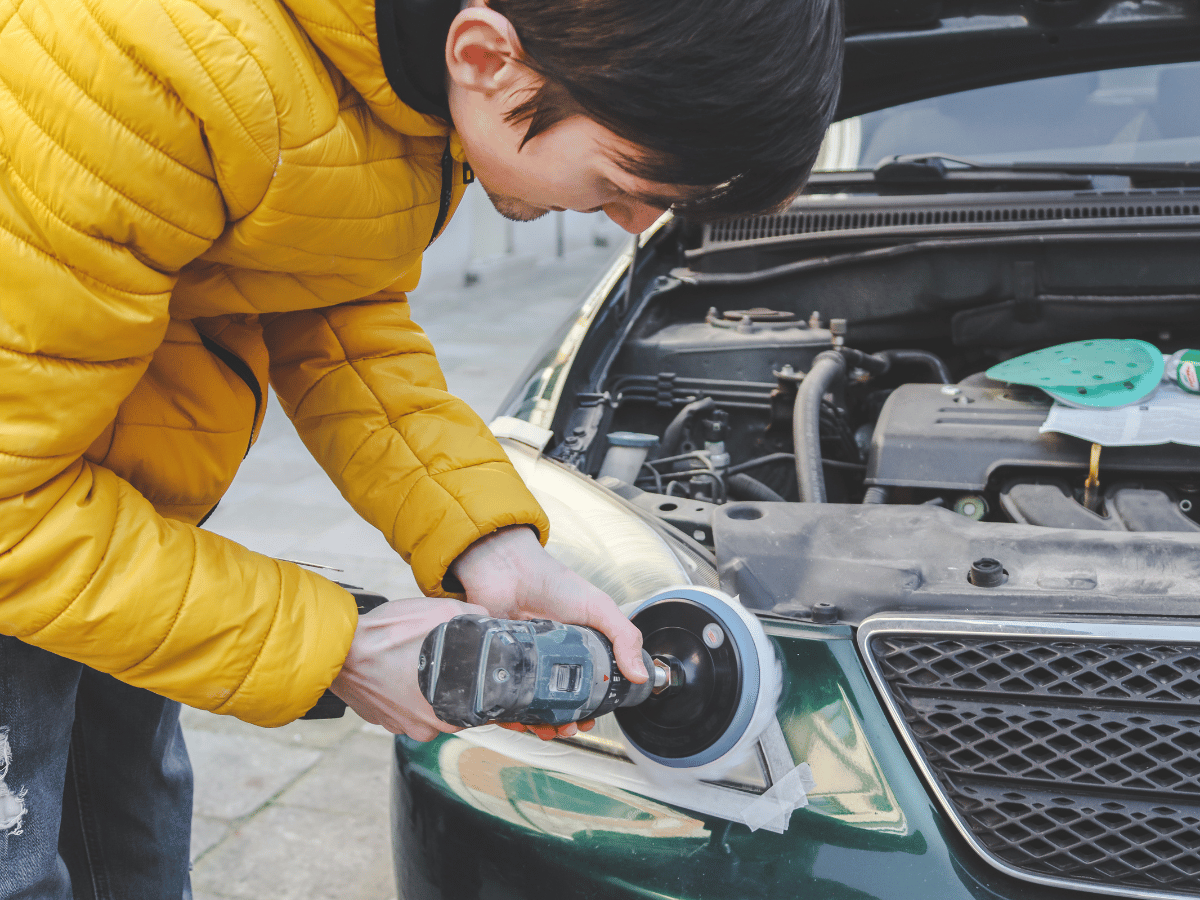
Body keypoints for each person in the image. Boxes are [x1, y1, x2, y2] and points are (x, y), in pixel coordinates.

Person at [0, 0, 842, 895]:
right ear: (486, 58)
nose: (635, 224)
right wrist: (337, 645)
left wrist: (491, 541)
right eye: (624, 179)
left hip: (110, 533)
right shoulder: (129, 72)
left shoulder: (408, 87)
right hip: (36, 536)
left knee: (127, 843)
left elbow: (333, 296)